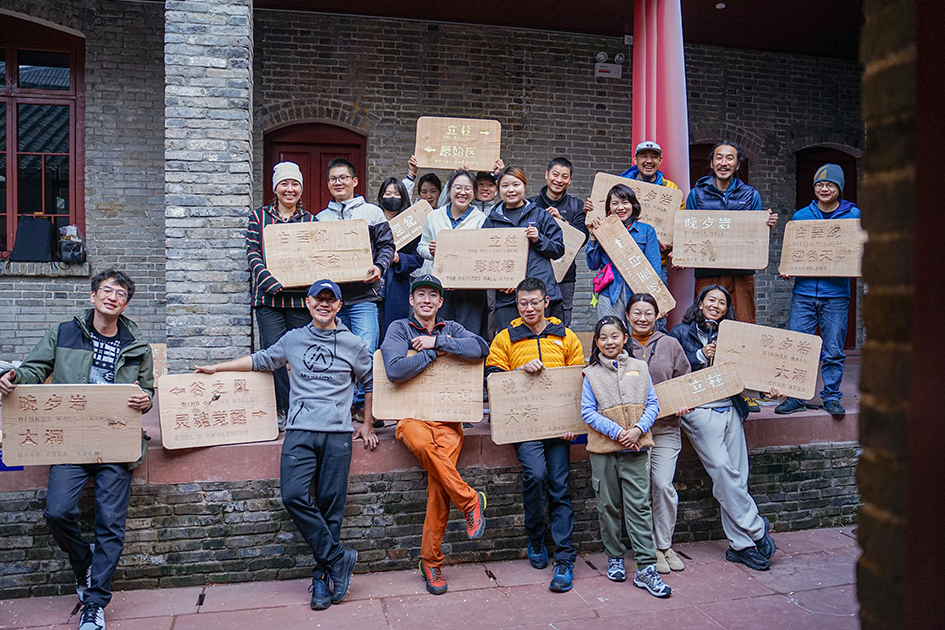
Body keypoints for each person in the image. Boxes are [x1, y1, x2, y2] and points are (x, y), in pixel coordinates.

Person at [195, 279, 379, 611]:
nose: (324, 304)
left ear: (339, 306)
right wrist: (219, 367)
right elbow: (261, 360)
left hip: (338, 434)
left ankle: (323, 578)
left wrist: (366, 423)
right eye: (318, 299)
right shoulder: (294, 339)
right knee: (293, 495)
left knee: (330, 509)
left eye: (330, 300)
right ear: (307, 303)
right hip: (300, 431)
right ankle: (339, 558)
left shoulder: (353, 344)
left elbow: (371, 382)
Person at [0, 269, 154, 630]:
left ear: (126, 303)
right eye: (106, 290)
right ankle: (84, 562)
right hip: (71, 439)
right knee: (58, 511)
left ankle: (95, 602)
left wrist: (144, 399)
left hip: (117, 443)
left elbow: (147, 392)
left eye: (120, 293)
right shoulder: (65, 332)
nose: (112, 297)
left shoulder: (136, 344)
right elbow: (35, 369)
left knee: (110, 524)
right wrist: (13, 379)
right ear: (93, 296)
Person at [379, 274, 490, 595]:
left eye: (433, 296)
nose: (426, 300)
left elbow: (480, 347)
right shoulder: (399, 329)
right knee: (425, 446)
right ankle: (470, 500)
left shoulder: (450, 328)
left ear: (441, 302)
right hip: (411, 417)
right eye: (420, 295)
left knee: (438, 488)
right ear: (411, 300)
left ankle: (431, 561)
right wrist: (429, 354)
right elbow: (395, 370)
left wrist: (438, 342)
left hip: (449, 420)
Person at [486, 277, 584, 593]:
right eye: (522, 303)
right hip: (524, 424)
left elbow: (578, 383)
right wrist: (518, 371)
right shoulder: (505, 338)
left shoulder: (566, 337)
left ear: (546, 303)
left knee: (559, 485)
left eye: (534, 302)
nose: (529, 308)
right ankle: (535, 535)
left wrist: (573, 423)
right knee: (535, 474)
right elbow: (493, 378)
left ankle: (565, 557)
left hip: (559, 426)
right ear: (517, 305)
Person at [669, 285, 777, 571]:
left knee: (738, 477)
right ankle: (756, 527)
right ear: (700, 303)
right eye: (711, 300)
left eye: (722, 302)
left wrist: (767, 392)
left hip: (730, 407)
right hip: (699, 410)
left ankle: (740, 546)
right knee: (722, 469)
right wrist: (701, 356)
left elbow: (745, 376)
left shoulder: (733, 337)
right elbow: (671, 370)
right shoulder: (680, 333)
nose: (716, 305)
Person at [581, 315, 672, 598]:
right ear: (596, 343)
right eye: (604, 337)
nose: (610, 342)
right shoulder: (590, 374)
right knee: (607, 505)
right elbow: (587, 412)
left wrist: (637, 430)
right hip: (604, 451)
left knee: (639, 507)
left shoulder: (640, 367)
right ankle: (615, 556)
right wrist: (618, 433)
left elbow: (653, 404)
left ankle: (646, 567)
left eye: (615, 336)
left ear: (624, 338)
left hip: (636, 448)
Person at [775, 164, 861, 417]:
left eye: (830, 185)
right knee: (797, 346)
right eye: (820, 185)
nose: (824, 189)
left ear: (839, 188)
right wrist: (787, 267)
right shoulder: (802, 216)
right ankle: (796, 397)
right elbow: (792, 250)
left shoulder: (853, 216)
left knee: (834, 349)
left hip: (835, 294)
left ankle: (832, 397)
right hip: (803, 293)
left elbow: (861, 249)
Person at [316, 157, 395, 423]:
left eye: (343, 178)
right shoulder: (320, 218)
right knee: (337, 351)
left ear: (354, 181)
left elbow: (387, 246)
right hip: (333, 300)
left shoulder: (372, 213)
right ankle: (344, 403)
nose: (339, 183)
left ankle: (365, 404)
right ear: (328, 184)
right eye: (333, 179)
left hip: (364, 296)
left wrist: (380, 267)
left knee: (364, 350)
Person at [625, 293, 692, 574]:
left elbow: (686, 382)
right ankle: (647, 546)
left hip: (664, 428)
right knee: (639, 491)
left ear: (658, 316)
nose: (642, 318)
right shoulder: (617, 342)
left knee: (663, 485)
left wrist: (684, 403)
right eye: (637, 313)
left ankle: (665, 544)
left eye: (648, 313)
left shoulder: (670, 344)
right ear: (627, 315)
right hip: (629, 433)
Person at [247, 161, 316, 425]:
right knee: (274, 355)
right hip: (269, 299)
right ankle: (283, 410)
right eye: (284, 184)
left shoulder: (311, 220)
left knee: (302, 355)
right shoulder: (259, 217)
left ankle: (304, 407)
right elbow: (253, 252)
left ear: (301, 188)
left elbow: (316, 258)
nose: (290, 189)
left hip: (300, 300)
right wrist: (268, 279)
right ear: (275, 188)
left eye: (295, 184)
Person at [683, 142, 779, 324]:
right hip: (708, 271)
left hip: (741, 271)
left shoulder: (750, 195)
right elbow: (688, 231)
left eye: (730, 158)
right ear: (711, 164)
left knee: (744, 322)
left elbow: (756, 236)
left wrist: (765, 226)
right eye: (718, 158)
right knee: (705, 321)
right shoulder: (697, 194)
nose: (724, 163)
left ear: (737, 165)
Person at [483, 167, 565, 331]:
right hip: (507, 297)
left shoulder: (540, 215)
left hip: (538, 293)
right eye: (505, 186)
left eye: (516, 184)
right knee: (511, 341)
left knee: (542, 341)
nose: (511, 190)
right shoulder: (491, 221)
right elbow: (484, 258)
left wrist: (539, 238)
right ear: (499, 189)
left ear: (524, 186)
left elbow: (558, 249)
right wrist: (499, 282)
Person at [417, 170, 489, 338]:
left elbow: (485, 252)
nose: (462, 192)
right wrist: (430, 251)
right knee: (441, 333)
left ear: (474, 192)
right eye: (458, 187)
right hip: (441, 286)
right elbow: (421, 246)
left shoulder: (482, 219)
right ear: (449, 190)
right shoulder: (434, 216)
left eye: (468, 188)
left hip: (471, 288)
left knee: (470, 334)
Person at [529, 157, 589, 327]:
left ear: (569, 180)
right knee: (533, 316)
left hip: (565, 274)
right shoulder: (530, 204)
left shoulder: (576, 205)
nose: (559, 180)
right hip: (533, 271)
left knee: (560, 320)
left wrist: (562, 222)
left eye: (564, 176)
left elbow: (582, 237)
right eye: (555, 174)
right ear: (546, 175)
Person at [586, 184, 661, 319]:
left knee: (638, 336)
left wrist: (658, 300)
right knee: (610, 334)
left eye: (625, 202)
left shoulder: (646, 231)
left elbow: (655, 268)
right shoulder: (602, 230)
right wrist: (592, 237)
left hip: (638, 294)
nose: (620, 207)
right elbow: (593, 265)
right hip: (610, 292)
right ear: (609, 208)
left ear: (633, 205)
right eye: (615, 203)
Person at [620, 141, 685, 284]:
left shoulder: (671, 190)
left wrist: (672, 244)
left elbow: (681, 227)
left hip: (656, 264)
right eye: (644, 156)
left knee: (655, 306)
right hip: (623, 262)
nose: (649, 161)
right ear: (635, 159)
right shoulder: (622, 187)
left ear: (660, 160)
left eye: (654, 157)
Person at [377, 177, 425, 341]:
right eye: (387, 193)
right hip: (372, 284)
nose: (392, 197)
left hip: (397, 285)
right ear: (381, 196)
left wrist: (399, 258)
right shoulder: (373, 219)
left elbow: (418, 258)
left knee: (394, 332)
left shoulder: (411, 226)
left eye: (396, 194)